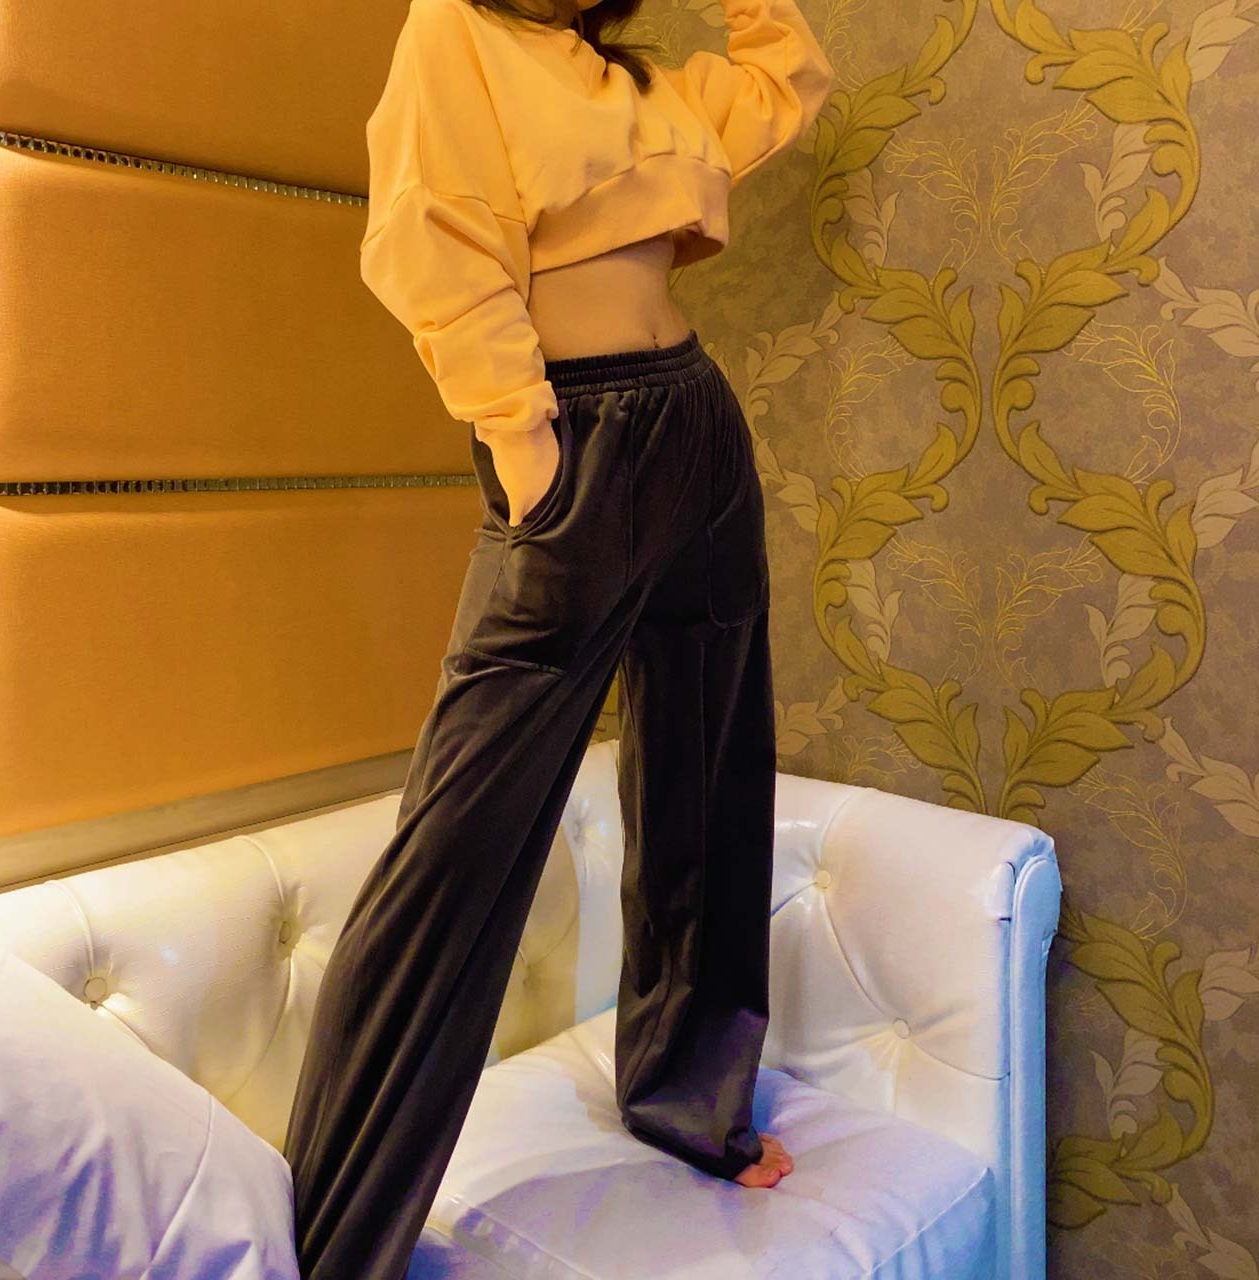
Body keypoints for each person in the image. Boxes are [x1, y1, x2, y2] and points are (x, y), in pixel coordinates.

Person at [283, 0, 833, 1272]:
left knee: (707, 771)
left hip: (696, 425)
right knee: (458, 843)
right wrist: (527, 449)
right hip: (574, 440)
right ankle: (332, 1233)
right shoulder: (453, 32)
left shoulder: (630, 81)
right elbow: (429, 235)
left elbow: (786, 77)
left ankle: (688, 1095)